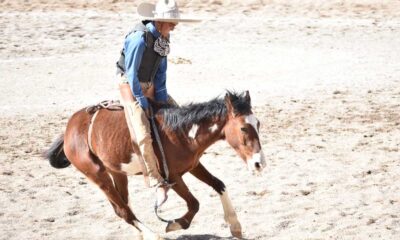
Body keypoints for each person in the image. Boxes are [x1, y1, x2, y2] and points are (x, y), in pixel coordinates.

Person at [116, 0, 200, 207]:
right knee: (142, 133)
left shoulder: (163, 37)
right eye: (171, 23)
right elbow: (131, 74)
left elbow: (161, 72)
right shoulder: (138, 39)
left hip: (151, 82)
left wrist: (163, 102)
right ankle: (156, 182)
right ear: (160, 20)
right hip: (129, 82)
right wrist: (143, 102)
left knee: (180, 117)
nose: (174, 26)